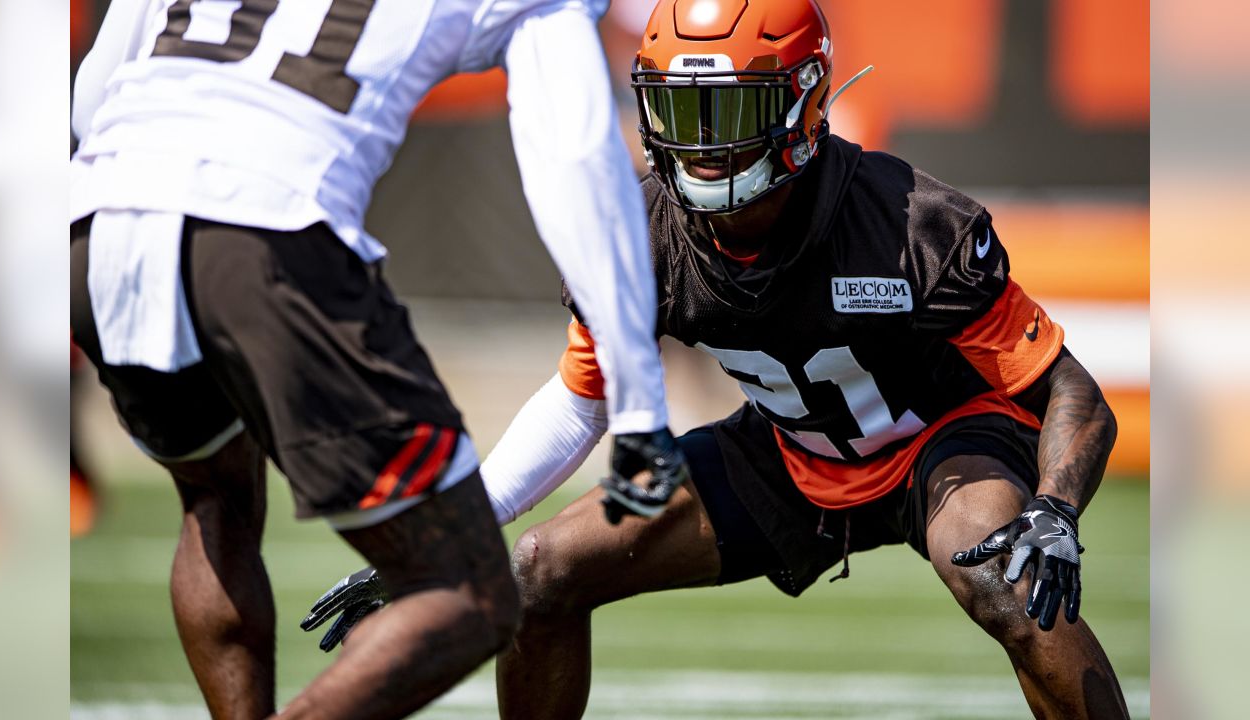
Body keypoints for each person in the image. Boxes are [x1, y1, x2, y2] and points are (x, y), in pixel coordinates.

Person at [304, 1, 1131, 717]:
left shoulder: (906, 218)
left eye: (729, 112)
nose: (703, 145)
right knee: (538, 570)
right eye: (682, 109)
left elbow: (1073, 394)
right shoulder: (641, 230)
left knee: (1006, 575)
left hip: (939, 441)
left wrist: (1053, 507)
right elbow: (582, 401)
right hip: (787, 449)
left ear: (804, 101)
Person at [69, 0, 687, 717]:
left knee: (214, 503)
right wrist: (640, 399)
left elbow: (92, 97)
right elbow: (574, 156)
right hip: (266, 226)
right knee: (471, 591)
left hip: (96, 218)